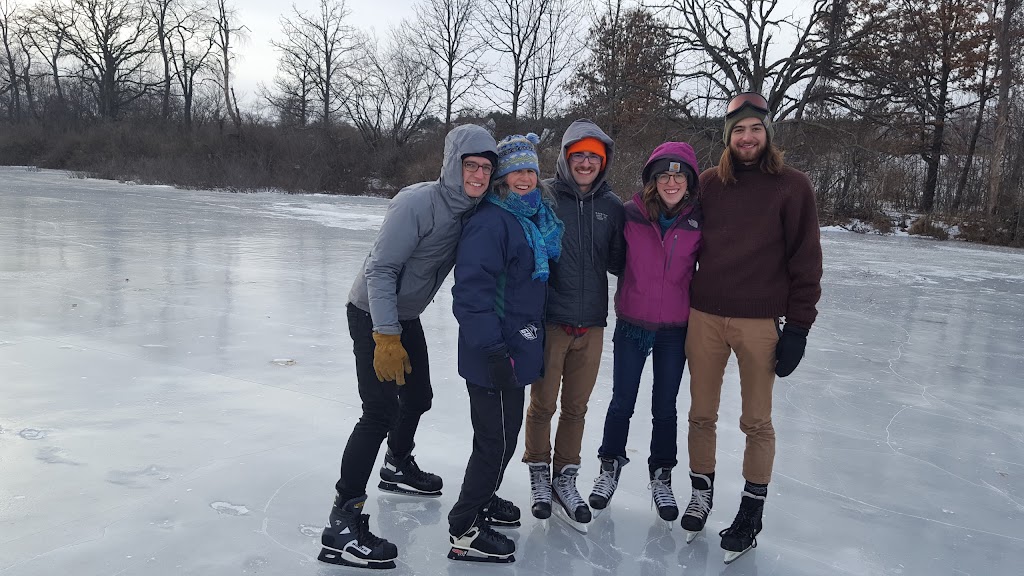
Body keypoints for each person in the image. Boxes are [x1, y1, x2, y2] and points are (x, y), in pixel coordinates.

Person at [318, 124, 498, 570]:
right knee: (378, 411)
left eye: (485, 167)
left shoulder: (473, 210)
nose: (478, 174)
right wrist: (385, 334)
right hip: (372, 314)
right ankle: (342, 525)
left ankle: (397, 465)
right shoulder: (417, 203)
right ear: (452, 165)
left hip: (406, 315)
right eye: (470, 165)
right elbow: (381, 270)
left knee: (418, 397)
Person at [681, 92, 823, 563]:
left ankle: (750, 511)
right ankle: (701, 493)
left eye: (755, 129)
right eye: (738, 130)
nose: (747, 137)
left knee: (756, 421)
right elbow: (677, 230)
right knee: (701, 413)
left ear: (767, 135)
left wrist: (799, 328)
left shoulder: (792, 187)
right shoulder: (708, 184)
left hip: (759, 322)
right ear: (727, 137)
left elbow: (806, 261)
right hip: (704, 317)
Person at [447, 133, 564, 563]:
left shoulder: (532, 220)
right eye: (516, 170)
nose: (524, 178)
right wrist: (494, 350)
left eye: (531, 170)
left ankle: (485, 497)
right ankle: (464, 525)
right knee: (493, 441)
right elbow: (471, 293)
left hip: (517, 347)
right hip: (494, 351)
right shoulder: (491, 222)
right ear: (501, 177)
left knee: (506, 435)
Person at [588, 142, 702, 526]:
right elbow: (613, 258)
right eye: (664, 175)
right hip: (633, 325)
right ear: (652, 180)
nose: (671, 182)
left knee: (665, 407)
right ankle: (609, 465)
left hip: (675, 329)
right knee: (622, 400)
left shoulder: (698, 220)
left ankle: (661, 475)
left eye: (679, 175)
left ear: (689, 182)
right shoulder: (630, 214)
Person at [522, 119, 625, 533]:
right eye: (578, 154)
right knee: (543, 403)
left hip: (593, 322)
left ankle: (565, 474)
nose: (585, 163)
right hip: (550, 320)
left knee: (576, 407)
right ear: (565, 156)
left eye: (593, 157)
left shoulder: (612, 207)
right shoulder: (543, 196)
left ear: (603, 163)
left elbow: (620, 261)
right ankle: (538, 472)